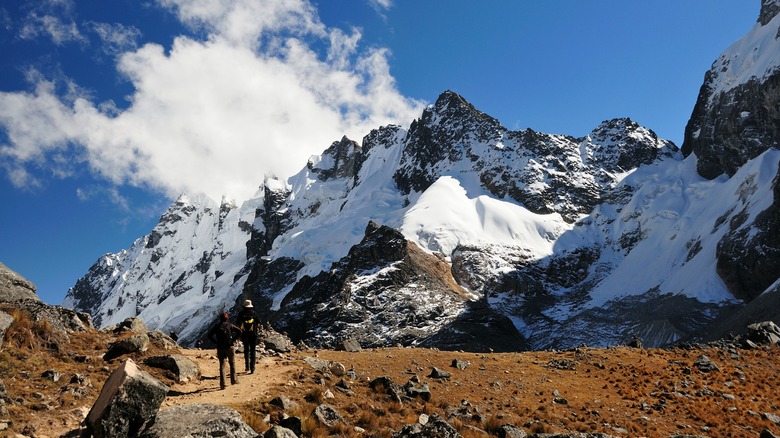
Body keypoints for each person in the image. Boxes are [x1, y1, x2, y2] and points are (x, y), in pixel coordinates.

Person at [207, 312, 240, 389]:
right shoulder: (230, 326)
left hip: (220, 347)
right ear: (227, 318)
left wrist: (216, 342)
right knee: (232, 363)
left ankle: (223, 384)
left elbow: (209, 335)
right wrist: (234, 340)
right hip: (230, 347)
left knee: (222, 365)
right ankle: (234, 380)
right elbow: (239, 331)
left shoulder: (217, 326)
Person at [236, 299, 259, 373]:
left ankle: (247, 367)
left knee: (246, 350)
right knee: (253, 350)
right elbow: (258, 322)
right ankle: (253, 368)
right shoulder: (254, 313)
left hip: (244, 334)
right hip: (253, 334)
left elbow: (238, 323)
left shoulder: (241, 313)